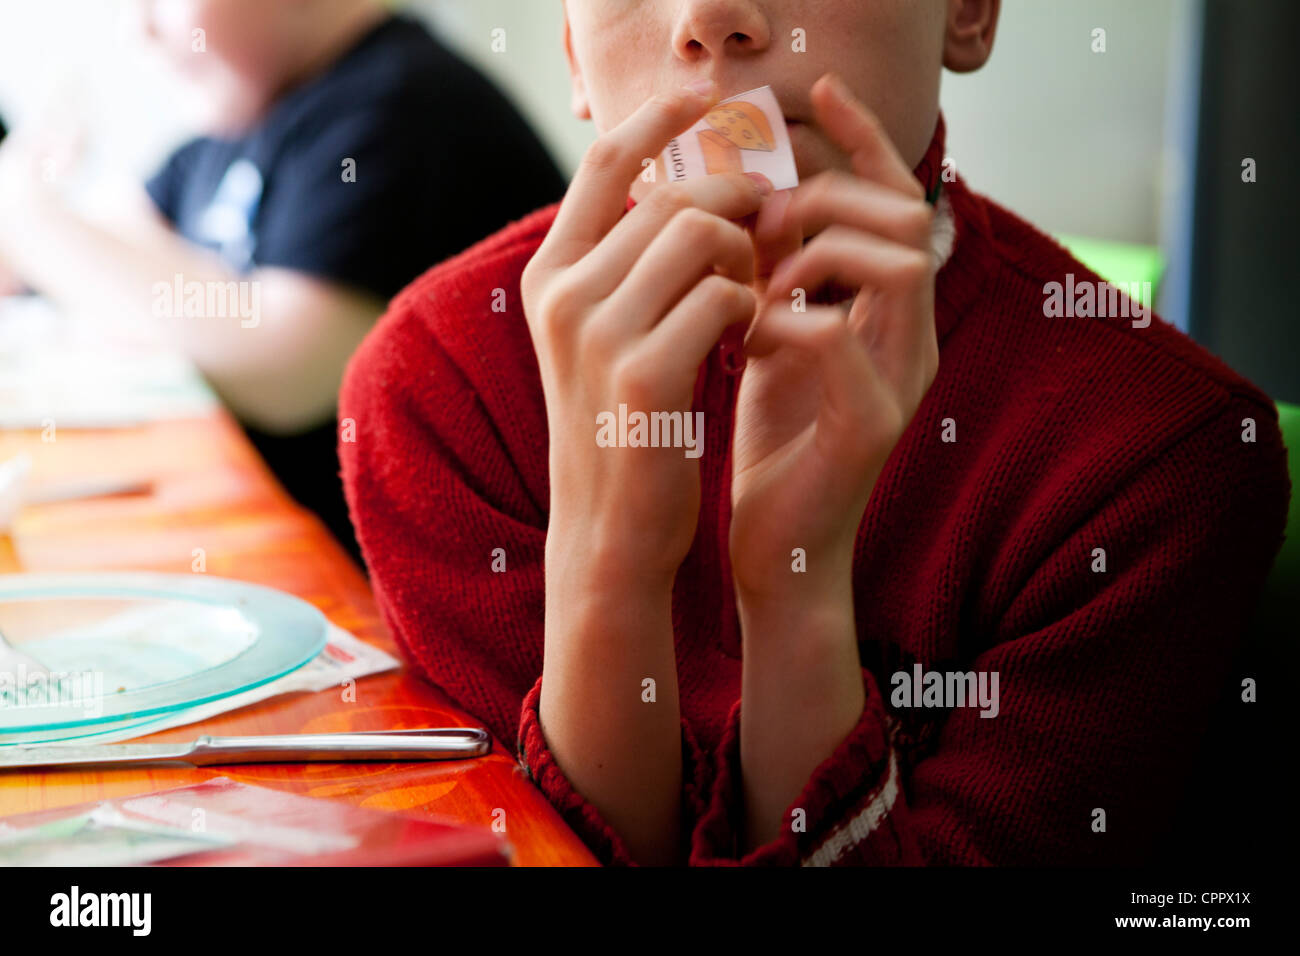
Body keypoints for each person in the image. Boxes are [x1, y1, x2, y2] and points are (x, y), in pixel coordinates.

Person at [338, 0, 1290, 866]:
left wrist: (795, 597)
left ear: (966, 13)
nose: (710, 20)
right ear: (577, 63)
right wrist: (608, 557)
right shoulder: (438, 384)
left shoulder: (1162, 454)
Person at [0, 0, 566, 564]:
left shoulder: (400, 105)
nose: (136, 29)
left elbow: (281, 373)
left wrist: (33, 217)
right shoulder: (237, 126)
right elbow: (117, 272)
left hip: (424, 597)